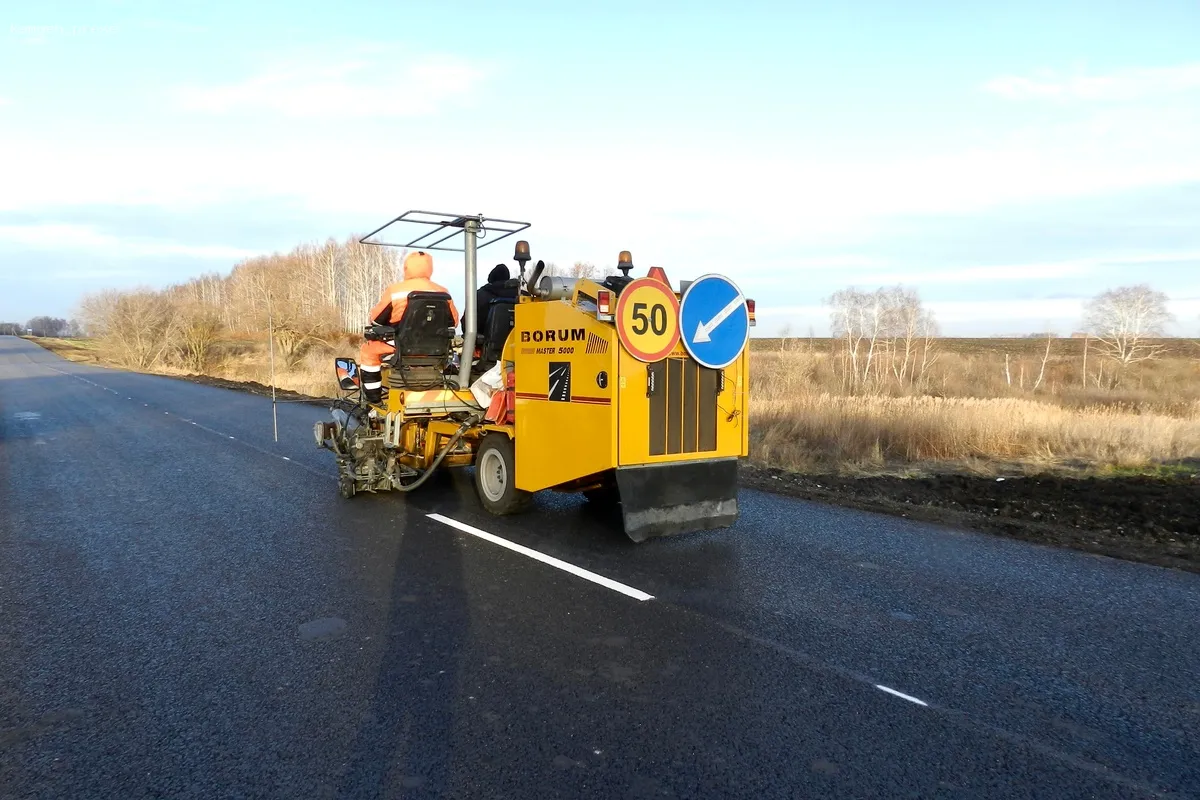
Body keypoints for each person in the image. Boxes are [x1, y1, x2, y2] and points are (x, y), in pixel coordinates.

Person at [359, 250, 459, 403]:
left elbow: (376, 320)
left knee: (368, 351)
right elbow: (453, 322)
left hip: (401, 347)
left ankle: (373, 399)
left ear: (406, 268)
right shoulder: (444, 292)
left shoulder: (395, 291)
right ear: (430, 268)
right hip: (436, 349)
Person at [466, 264, 519, 335]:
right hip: (524, 340)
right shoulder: (523, 296)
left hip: (487, 342)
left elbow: (466, 324)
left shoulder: (479, 295)